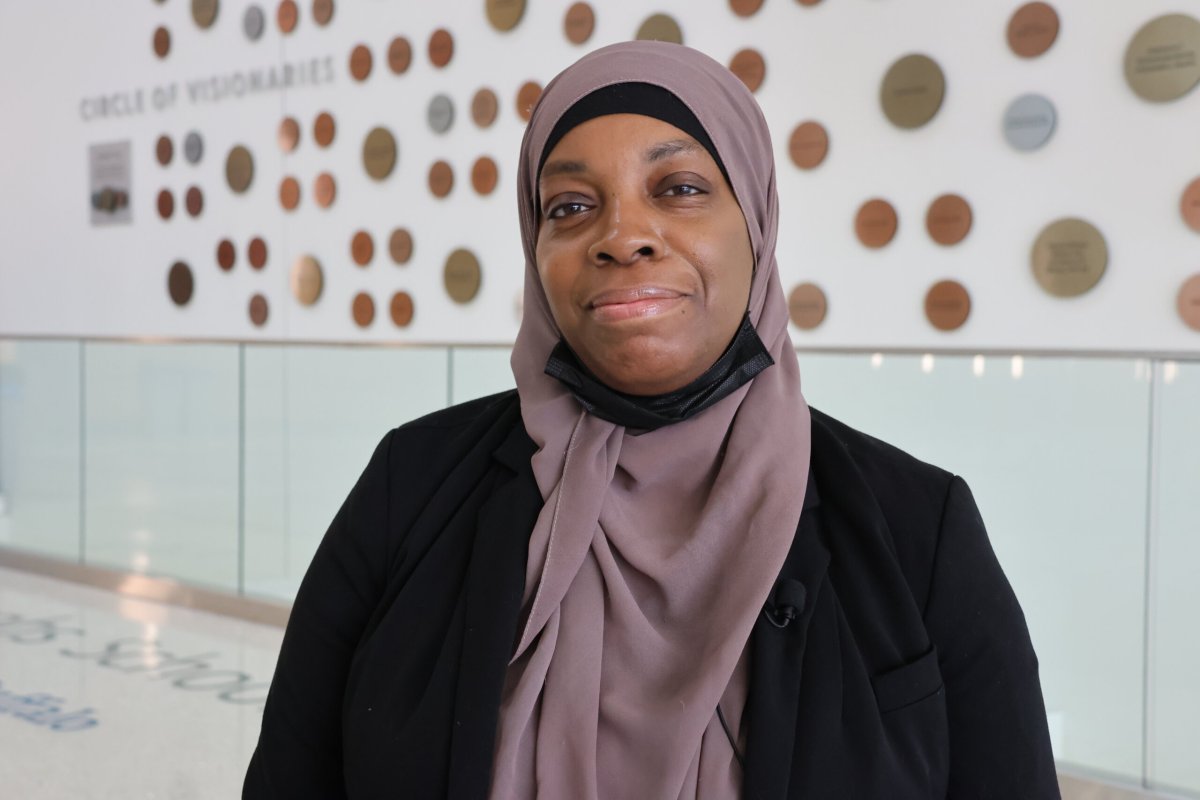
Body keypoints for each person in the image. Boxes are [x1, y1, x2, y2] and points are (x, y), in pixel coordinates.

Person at [244, 41, 1060, 799]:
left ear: (758, 221)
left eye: (679, 190)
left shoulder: (916, 527)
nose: (622, 236)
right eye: (569, 206)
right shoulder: (412, 486)